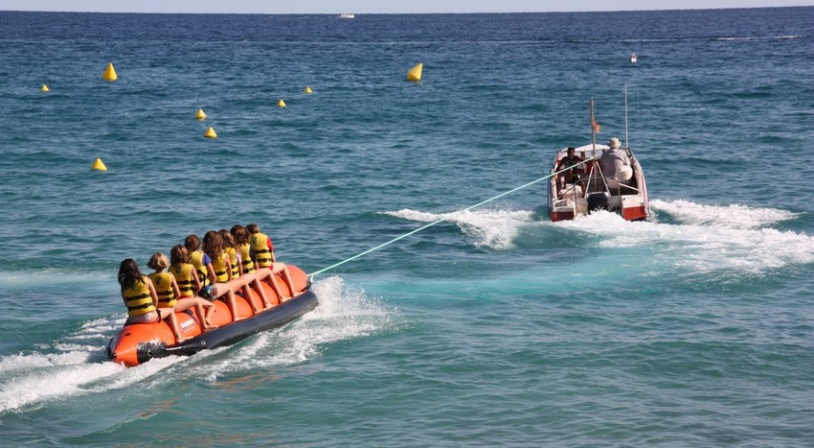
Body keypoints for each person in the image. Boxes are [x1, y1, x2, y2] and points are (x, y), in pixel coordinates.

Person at [118, 258, 183, 340]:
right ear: (136, 268)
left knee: (122, 331)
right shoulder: (146, 280)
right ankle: (178, 337)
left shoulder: (123, 285)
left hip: (132, 318)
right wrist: (154, 310)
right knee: (170, 311)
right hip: (147, 317)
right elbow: (155, 299)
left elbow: (127, 304)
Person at [168, 245, 217, 330]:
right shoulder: (190, 267)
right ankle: (205, 324)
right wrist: (195, 294)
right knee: (211, 305)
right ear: (186, 255)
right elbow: (198, 285)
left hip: (177, 299)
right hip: (189, 297)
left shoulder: (170, 269)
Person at [247, 223, 297, 301]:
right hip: (267, 267)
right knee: (283, 266)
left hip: (253, 269)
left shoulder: (247, 241)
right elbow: (271, 255)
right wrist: (274, 264)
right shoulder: (265, 238)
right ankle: (293, 291)